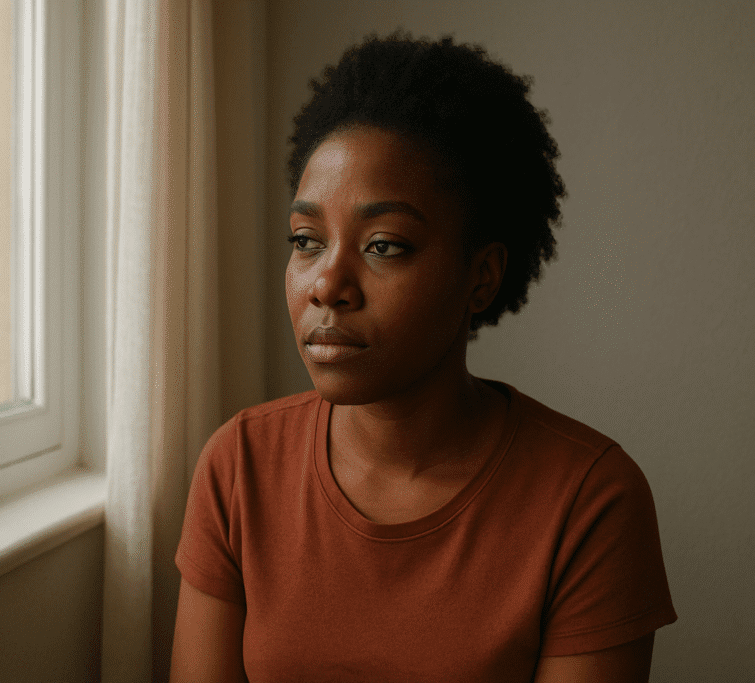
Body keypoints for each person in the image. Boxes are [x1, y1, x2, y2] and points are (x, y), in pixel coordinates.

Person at [170, 32, 676, 683]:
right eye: (306, 240)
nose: (327, 283)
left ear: (482, 276)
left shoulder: (589, 501)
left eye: (384, 245)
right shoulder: (238, 468)